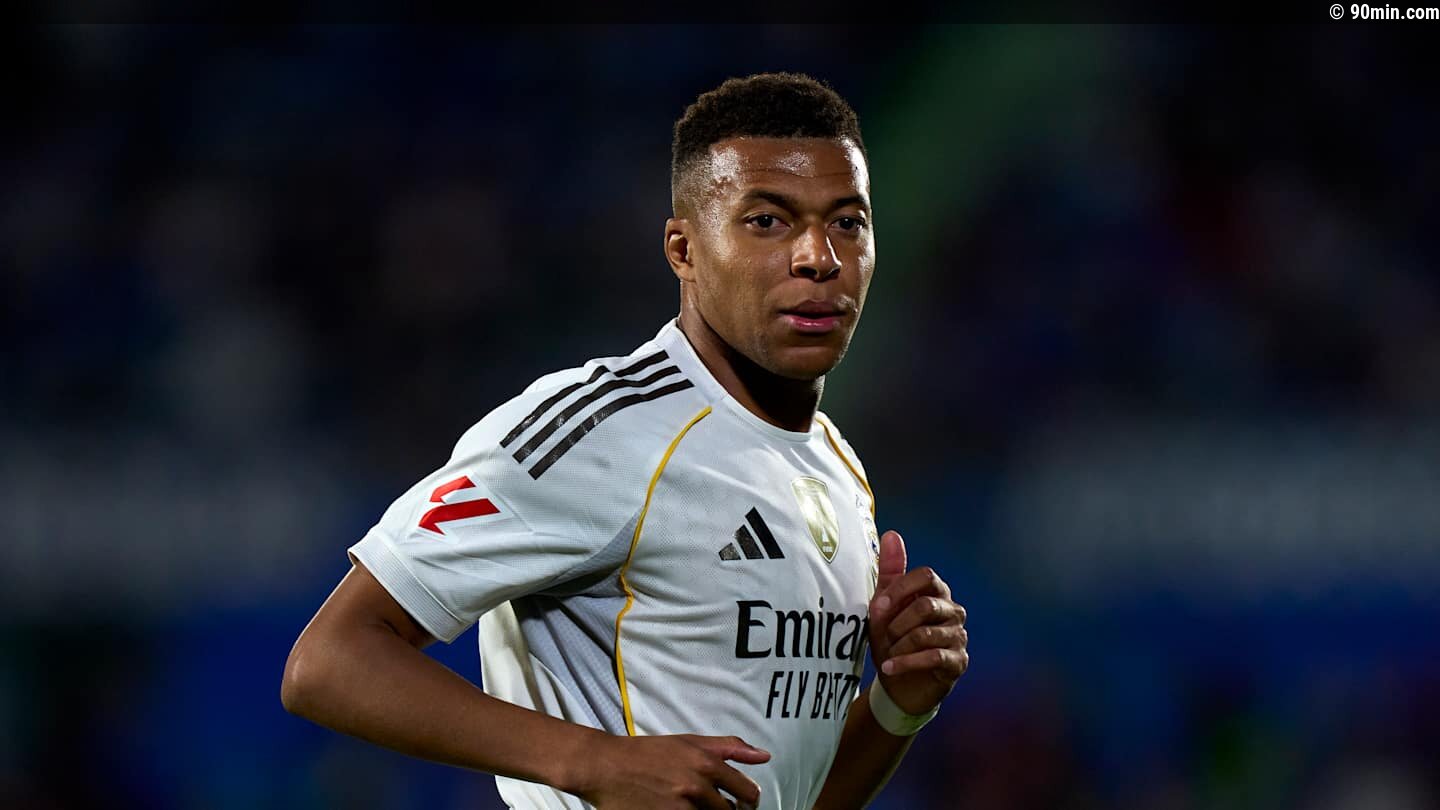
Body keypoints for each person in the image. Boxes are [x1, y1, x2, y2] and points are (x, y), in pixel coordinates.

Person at [282, 71, 969, 810]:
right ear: (683, 249)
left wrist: (898, 705)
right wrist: (593, 760)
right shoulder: (600, 429)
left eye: (848, 223)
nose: (818, 257)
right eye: (767, 220)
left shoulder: (837, 468)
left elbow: (786, 798)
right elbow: (330, 660)